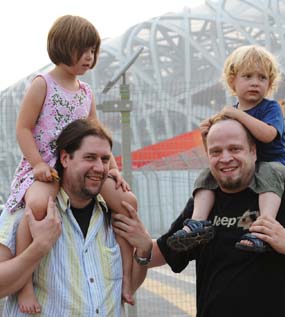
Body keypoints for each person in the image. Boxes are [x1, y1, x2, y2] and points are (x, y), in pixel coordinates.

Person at [114, 115, 285, 317]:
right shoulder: (203, 204)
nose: (225, 158)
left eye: (235, 149)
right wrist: (142, 243)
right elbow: (165, 253)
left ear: (253, 151)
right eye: (216, 151)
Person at [4, 15, 136, 312]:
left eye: (93, 50)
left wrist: (112, 169)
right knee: (37, 207)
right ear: (63, 47)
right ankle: (24, 285)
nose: (90, 57)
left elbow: (95, 133)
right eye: (84, 49)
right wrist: (37, 163)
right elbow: (23, 128)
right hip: (47, 168)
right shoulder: (43, 84)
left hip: (78, 165)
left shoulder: (86, 92)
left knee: (126, 202)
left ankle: (127, 277)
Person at [0, 118, 151, 316]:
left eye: (105, 160)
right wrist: (39, 248)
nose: (99, 167)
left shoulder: (115, 214)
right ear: (65, 159)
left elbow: (125, 289)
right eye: (90, 158)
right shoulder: (28, 210)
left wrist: (144, 251)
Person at [167, 45, 285, 253]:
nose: (255, 82)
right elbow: (216, 149)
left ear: (269, 84)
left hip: (275, 168)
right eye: (247, 76)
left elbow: (268, 135)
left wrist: (235, 115)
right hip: (246, 171)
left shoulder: (270, 108)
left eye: (262, 78)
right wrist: (206, 134)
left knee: (266, 170)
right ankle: (197, 223)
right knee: (208, 174)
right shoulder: (232, 113)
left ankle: (264, 227)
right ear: (232, 81)